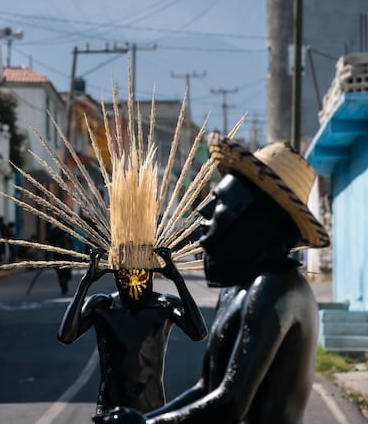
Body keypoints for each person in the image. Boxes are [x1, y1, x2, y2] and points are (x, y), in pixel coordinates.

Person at [97, 133, 330, 424]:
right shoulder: (239, 287)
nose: (204, 212)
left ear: (250, 216)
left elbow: (231, 404)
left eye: (219, 202)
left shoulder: (276, 288)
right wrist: (143, 420)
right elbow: (206, 388)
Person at [59, 245, 207, 418]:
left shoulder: (164, 305)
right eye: (125, 276)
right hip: (110, 407)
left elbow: (198, 333)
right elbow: (66, 336)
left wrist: (178, 280)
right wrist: (85, 283)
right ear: (115, 275)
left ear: (151, 273)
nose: (134, 283)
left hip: (152, 407)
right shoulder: (103, 305)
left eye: (141, 275)